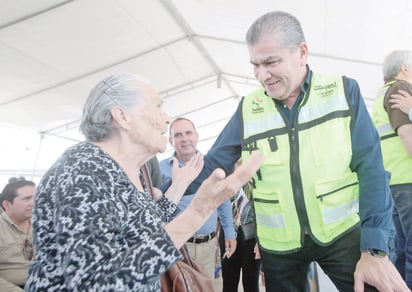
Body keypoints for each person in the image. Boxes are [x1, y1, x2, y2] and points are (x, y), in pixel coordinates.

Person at [185, 11, 409, 292]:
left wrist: (374, 249)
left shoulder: (343, 91)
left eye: (271, 62)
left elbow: (372, 169)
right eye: (255, 65)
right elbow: (213, 166)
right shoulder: (248, 108)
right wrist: (165, 191)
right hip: (279, 248)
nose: (262, 75)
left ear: (302, 52)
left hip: (343, 236)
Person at [24, 72, 264, 291]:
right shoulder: (82, 172)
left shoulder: (126, 170)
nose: (166, 118)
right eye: (157, 107)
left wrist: (179, 187)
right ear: (122, 116)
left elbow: (142, 231)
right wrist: (198, 212)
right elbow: (93, 283)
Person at [159, 117, 236, 280]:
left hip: (207, 246)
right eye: (178, 135)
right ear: (171, 141)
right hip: (177, 246)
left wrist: (229, 232)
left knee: (205, 286)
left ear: (197, 135)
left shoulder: (212, 165)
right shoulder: (161, 169)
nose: (185, 138)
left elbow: (223, 201)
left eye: (188, 133)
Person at [372, 50, 412, 289]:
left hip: (394, 181)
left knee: (401, 248)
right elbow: (407, 136)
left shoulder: (381, 94)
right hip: (408, 181)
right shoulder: (401, 89)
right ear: (405, 68)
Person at [218, 165, 261, 292]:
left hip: (251, 237)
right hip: (227, 235)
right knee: (229, 281)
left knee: (251, 283)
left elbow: (263, 209)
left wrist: (261, 239)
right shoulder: (223, 176)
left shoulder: (256, 175)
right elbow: (218, 207)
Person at [0, 177, 36, 291]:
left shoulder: (42, 227)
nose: (33, 203)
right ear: (6, 205)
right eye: (26, 199)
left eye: (36, 198)